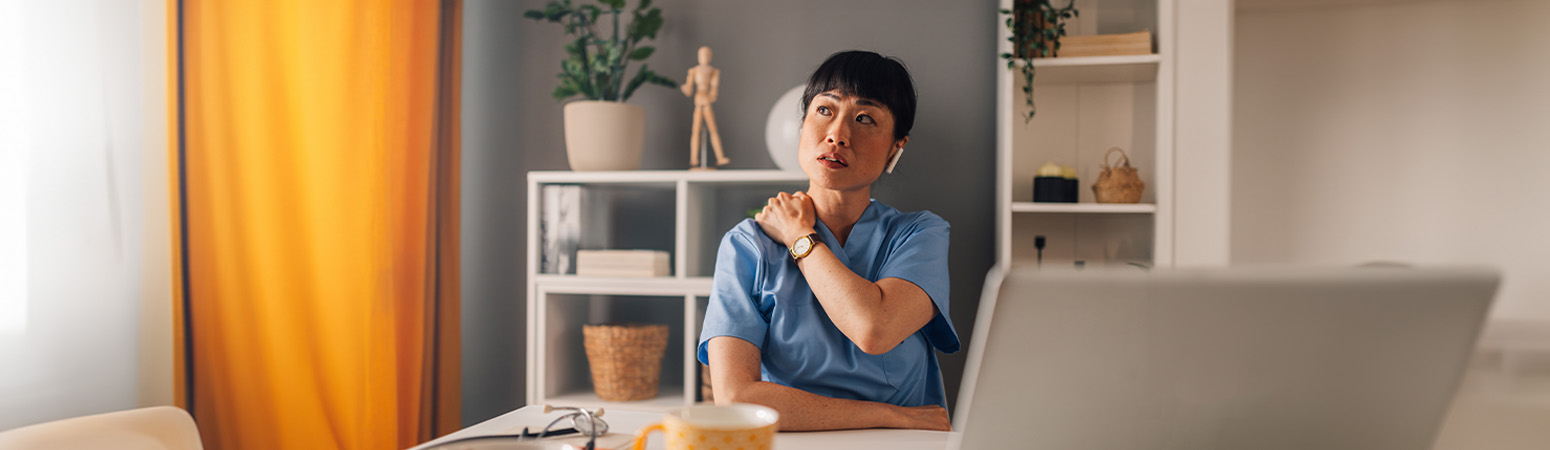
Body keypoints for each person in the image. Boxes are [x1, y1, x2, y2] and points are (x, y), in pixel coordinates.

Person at [697, 50, 956, 432]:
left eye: (865, 118)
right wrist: (888, 415)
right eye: (824, 110)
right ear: (803, 124)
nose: (837, 134)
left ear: (895, 148)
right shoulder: (747, 246)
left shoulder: (920, 235)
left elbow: (874, 329)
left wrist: (800, 237)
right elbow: (736, 398)